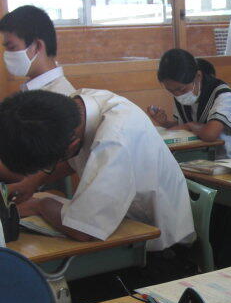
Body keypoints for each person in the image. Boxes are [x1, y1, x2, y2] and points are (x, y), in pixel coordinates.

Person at [0, 89, 195, 253]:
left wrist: (40, 205)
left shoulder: (115, 141)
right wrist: (32, 182)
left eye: (48, 165)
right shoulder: (76, 107)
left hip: (160, 247)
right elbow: (73, 159)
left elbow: (84, 230)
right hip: (125, 224)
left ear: (71, 146)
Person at [0, 5, 76, 184]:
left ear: (37, 46)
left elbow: (29, 176)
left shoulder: (59, 98)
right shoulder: (33, 91)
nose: (6, 55)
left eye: (11, 47)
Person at [147, 49, 231, 159]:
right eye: (171, 91)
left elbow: (210, 134)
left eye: (181, 89)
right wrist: (165, 123)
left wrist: (190, 126)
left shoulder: (223, 94)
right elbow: (181, 127)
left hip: (229, 160)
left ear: (198, 76)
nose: (177, 95)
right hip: (198, 159)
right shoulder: (182, 95)